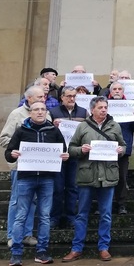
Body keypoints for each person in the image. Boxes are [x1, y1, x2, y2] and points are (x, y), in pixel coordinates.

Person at [5, 101, 69, 266]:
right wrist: (12, 154)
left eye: (42, 109)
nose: (40, 112)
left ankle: (42, 251)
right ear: (30, 113)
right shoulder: (21, 131)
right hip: (26, 178)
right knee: (21, 216)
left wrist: (64, 156)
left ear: (46, 112)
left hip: (47, 178)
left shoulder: (54, 131)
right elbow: (8, 153)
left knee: (45, 216)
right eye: (36, 110)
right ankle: (16, 252)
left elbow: (63, 151)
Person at [62, 96, 125, 262]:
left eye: (105, 107)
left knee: (105, 214)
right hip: (87, 175)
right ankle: (76, 248)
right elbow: (71, 148)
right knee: (82, 214)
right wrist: (81, 150)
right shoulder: (83, 126)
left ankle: (104, 247)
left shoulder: (114, 126)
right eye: (100, 107)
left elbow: (123, 146)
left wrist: (121, 150)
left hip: (108, 176)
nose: (104, 110)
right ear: (92, 110)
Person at [0, 85, 48, 249]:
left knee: (33, 200)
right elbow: (4, 139)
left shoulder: (46, 113)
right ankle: (13, 235)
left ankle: (26, 234)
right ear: (29, 99)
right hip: (20, 165)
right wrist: (22, 147)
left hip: (39, 165)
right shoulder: (16, 114)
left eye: (43, 97)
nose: (43, 99)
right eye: (39, 97)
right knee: (17, 201)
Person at [48, 85, 88, 229]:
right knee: (57, 188)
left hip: (75, 155)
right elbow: (47, 132)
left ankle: (71, 216)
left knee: (73, 187)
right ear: (62, 97)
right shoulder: (53, 112)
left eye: (74, 96)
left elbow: (88, 131)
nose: (72, 99)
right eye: (69, 96)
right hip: (58, 155)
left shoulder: (83, 112)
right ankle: (54, 217)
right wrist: (53, 126)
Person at [107, 82, 134, 214]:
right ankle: (105, 204)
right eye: (114, 89)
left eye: (119, 89)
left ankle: (121, 204)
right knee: (105, 177)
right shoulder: (104, 106)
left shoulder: (130, 106)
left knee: (122, 177)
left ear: (123, 92)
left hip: (123, 148)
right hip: (106, 148)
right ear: (111, 92)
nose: (117, 91)